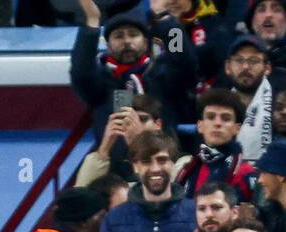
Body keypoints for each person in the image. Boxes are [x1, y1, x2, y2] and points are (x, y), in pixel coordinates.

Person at [69, 3, 195, 144]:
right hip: (115, 163)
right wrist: (91, 25)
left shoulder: (161, 76)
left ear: (146, 43)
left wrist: (165, 20)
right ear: (108, 46)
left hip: (162, 161)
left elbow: (183, 61)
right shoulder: (102, 83)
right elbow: (81, 70)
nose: (127, 41)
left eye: (133, 34)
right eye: (118, 36)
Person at [175, 89, 258, 203]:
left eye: (226, 118)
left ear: (237, 128)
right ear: (200, 126)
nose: (217, 123)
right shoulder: (186, 171)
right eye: (210, 117)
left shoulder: (245, 173)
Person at [222, 35, 274, 164]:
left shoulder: (281, 104)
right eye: (239, 60)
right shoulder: (217, 106)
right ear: (228, 67)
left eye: (253, 61)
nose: (245, 67)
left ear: (267, 68)